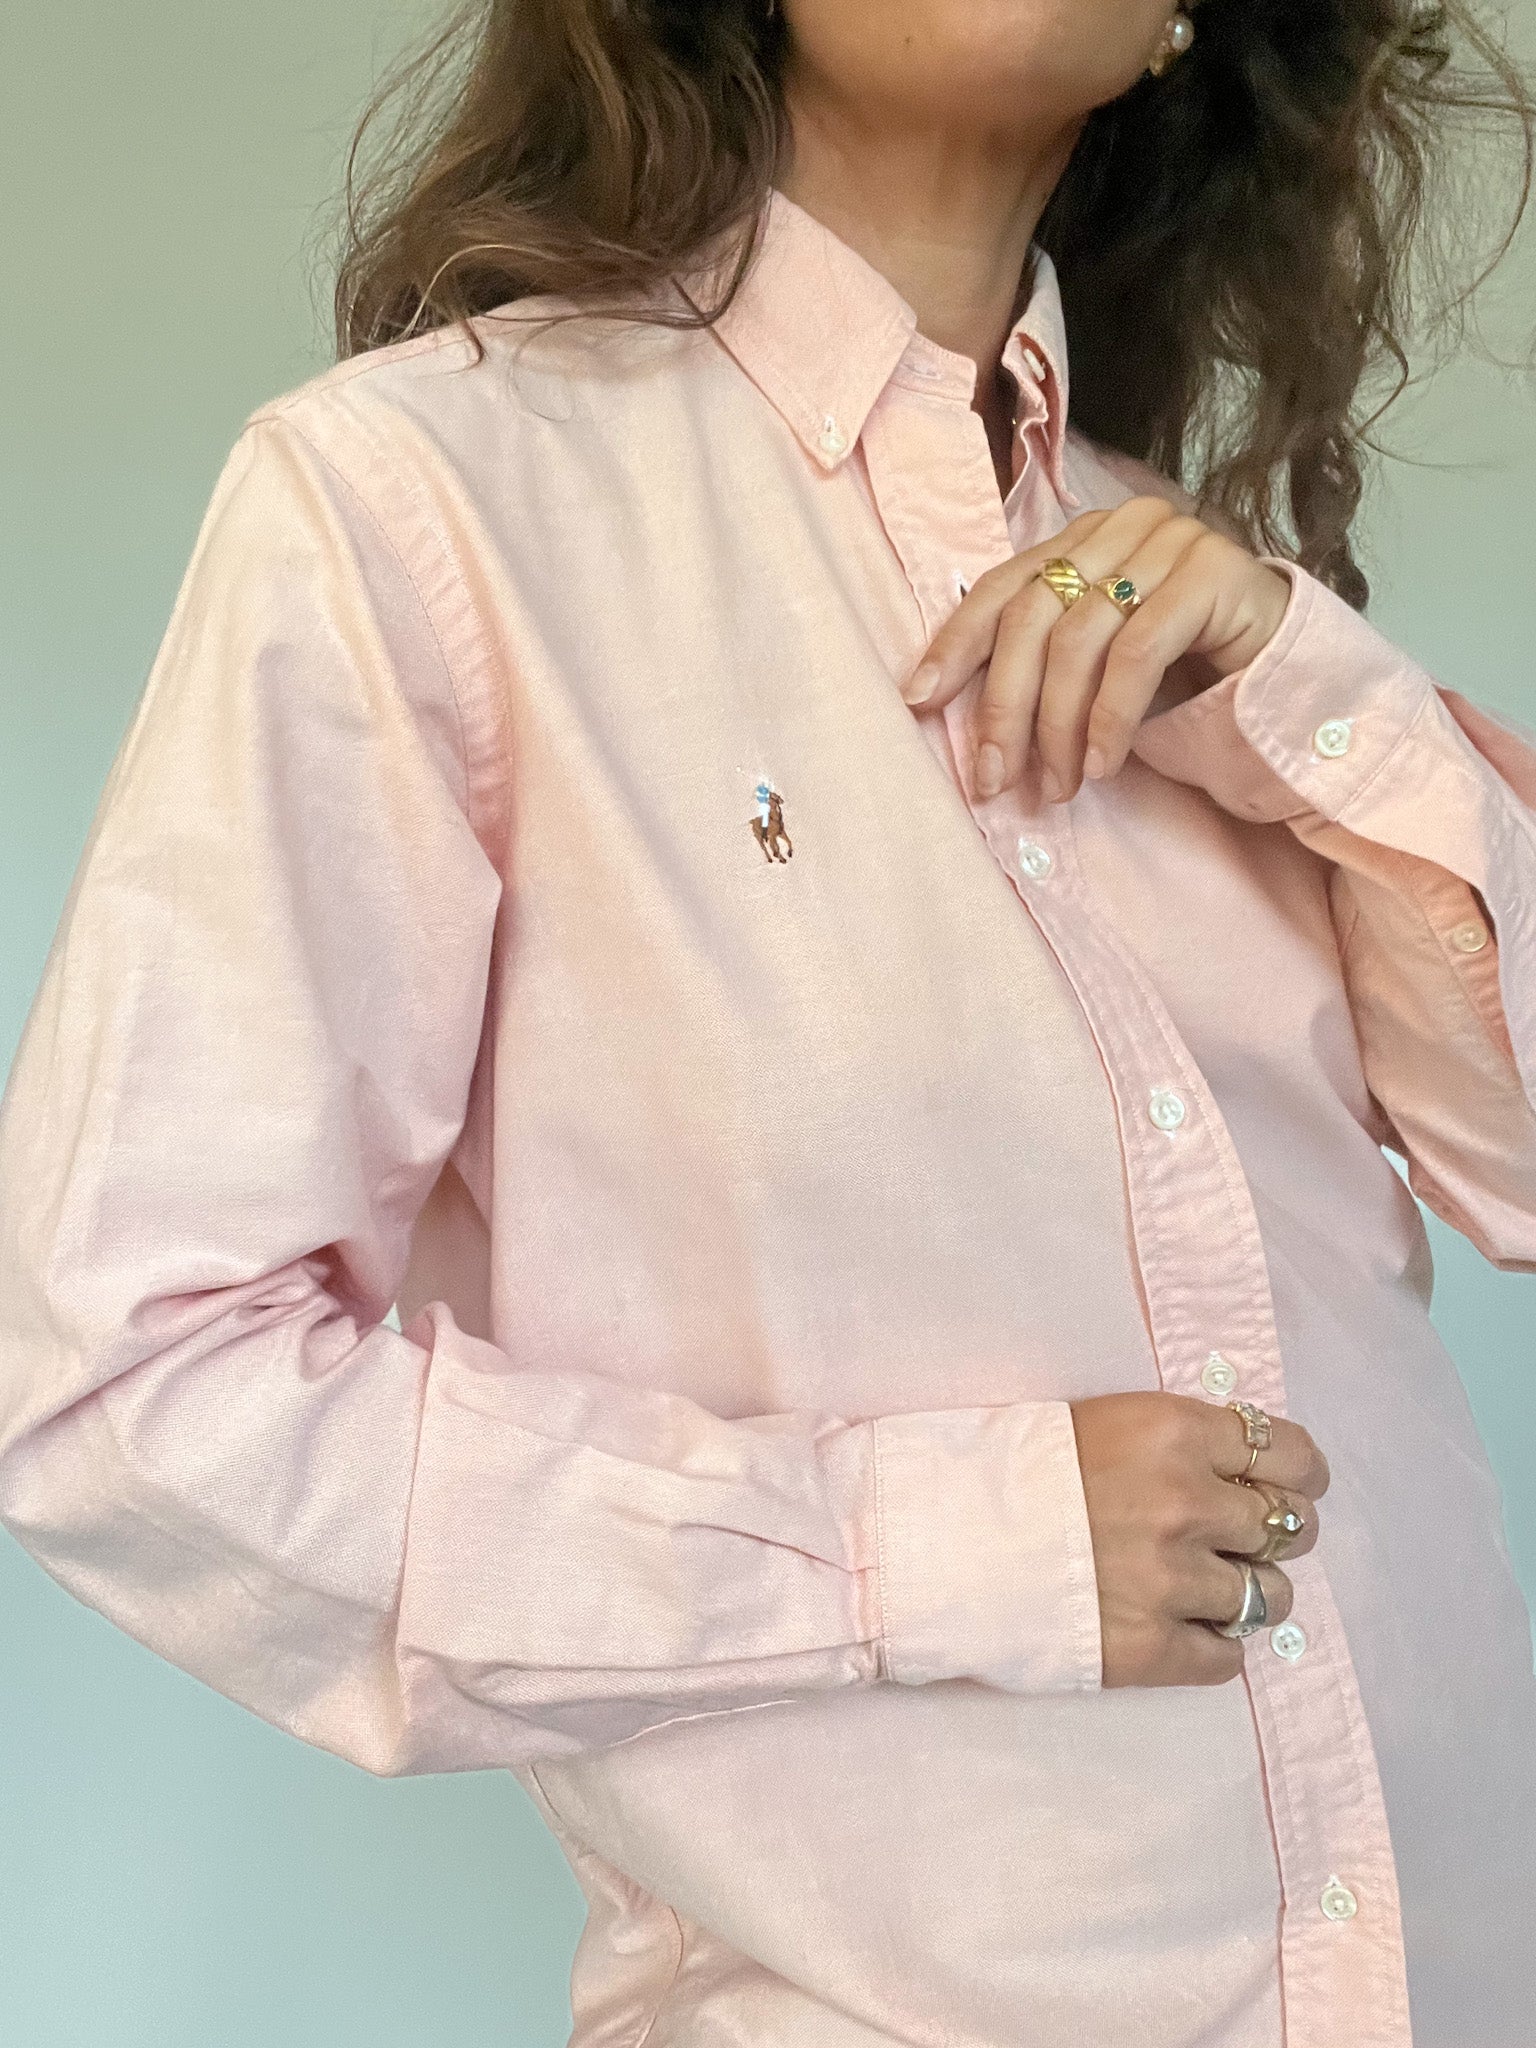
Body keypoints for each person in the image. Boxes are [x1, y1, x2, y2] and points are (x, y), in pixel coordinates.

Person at [1, 0, 1534, 2042]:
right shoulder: (421, 504)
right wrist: (941, 1549)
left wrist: (1308, 682)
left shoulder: (1211, 631)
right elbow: (129, 1381)